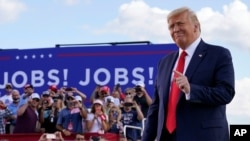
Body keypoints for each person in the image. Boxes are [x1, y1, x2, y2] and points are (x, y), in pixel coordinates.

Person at [142, 7, 235, 141]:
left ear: (196, 27)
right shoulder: (164, 62)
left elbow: (226, 93)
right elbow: (156, 107)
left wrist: (191, 89)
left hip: (203, 137)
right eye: (171, 26)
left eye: (180, 24)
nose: (175, 29)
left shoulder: (219, 54)